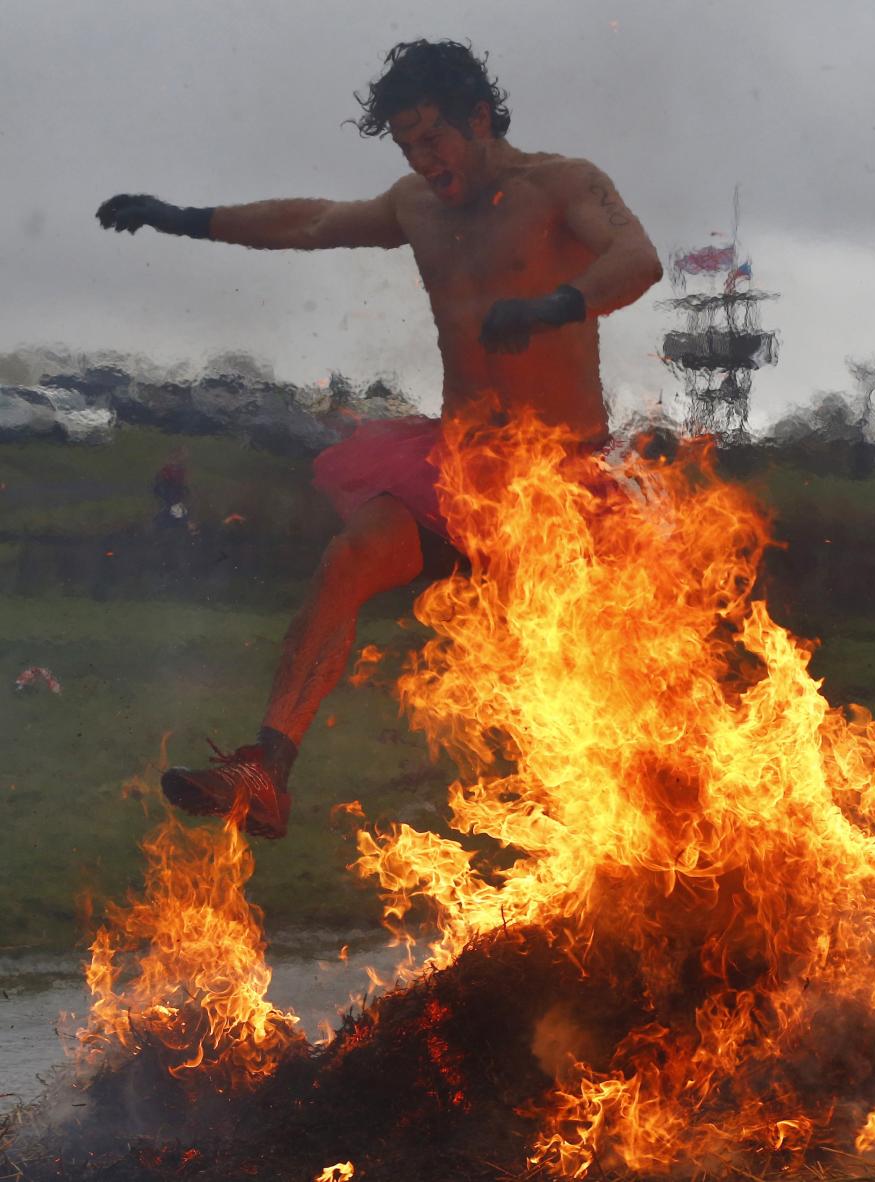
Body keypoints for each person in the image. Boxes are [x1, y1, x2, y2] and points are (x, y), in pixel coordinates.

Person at [96, 39, 663, 838]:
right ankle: (264, 771)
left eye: (433, 139)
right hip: (460, 475)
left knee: (616, 686)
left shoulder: (565, 185)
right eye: (406, 145)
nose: (423, 160)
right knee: (351, 558)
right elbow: (312, 224)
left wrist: (554, 305)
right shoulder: (416, 206)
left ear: (479, 117)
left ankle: (668, 826)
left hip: (564, 485)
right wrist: (184, 218)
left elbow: (638, 259)